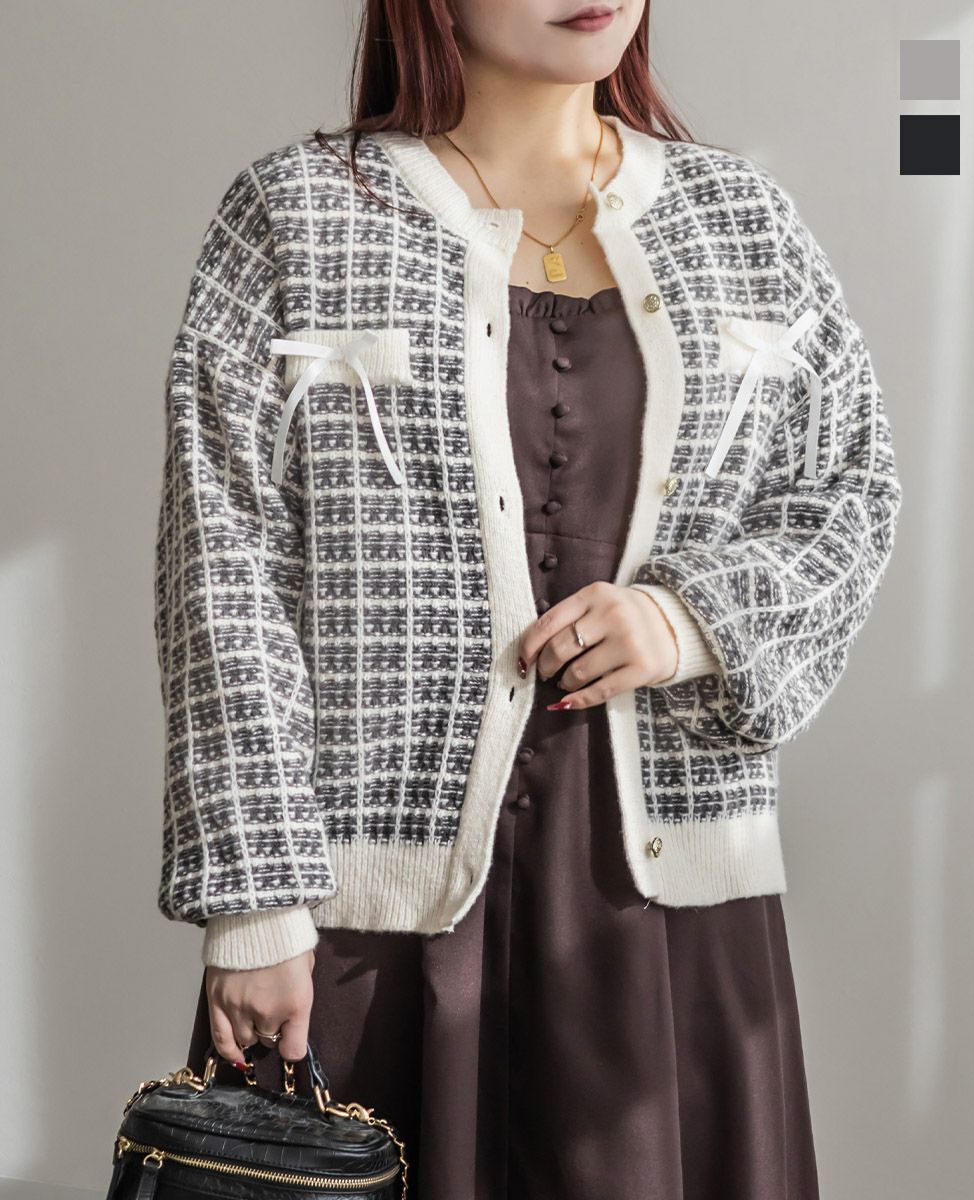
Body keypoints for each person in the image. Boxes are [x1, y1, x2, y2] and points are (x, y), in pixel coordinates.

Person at [153, 2, 902, 1197]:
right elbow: (224, 563)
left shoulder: (742, 218)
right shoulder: (297, 214)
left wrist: (689, 620)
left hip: (664, 917)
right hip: (365, 914)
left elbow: (849, 492)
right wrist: (253, 904)